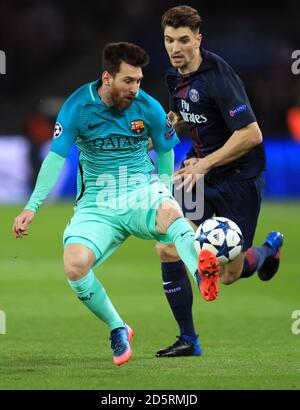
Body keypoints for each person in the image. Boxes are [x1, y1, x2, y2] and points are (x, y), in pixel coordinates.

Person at [12, 42, 220, 366]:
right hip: (96, 203)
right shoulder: (78, 106)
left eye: (138, 80)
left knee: (171, 213)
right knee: (74, 264)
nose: (135, 89)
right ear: (107, 78)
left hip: (140, 191)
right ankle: (118, 327)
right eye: (128, 81)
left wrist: (162, 191)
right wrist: (32, 206)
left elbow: (165, 151)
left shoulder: (147, 106)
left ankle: (201, 272)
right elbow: (55, 158)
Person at [155, 6, 284, 358]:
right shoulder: (175, 77)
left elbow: (251, 134)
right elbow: (185, 118)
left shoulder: (218, 76)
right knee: (168, 246)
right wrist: (159, 134)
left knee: (229, 275)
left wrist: (204, 165)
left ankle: (269, 249)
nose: (175, 48)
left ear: (198, 39)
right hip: (198, 175)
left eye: (183, 40)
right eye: (169, 40)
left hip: (239, 179)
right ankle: (188, 340)